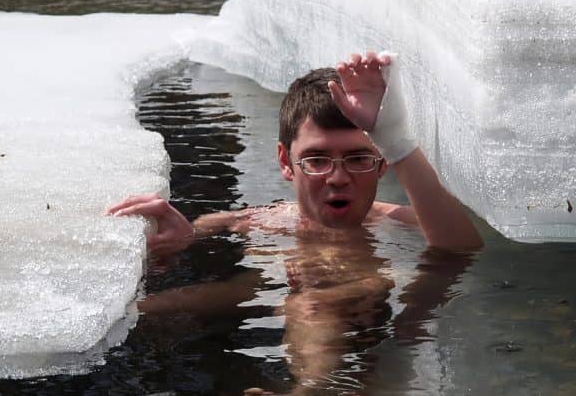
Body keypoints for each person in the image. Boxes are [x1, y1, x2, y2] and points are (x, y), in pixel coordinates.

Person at [106, 52, 482, 253]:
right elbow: (189, 240)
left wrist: (396, 140)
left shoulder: (398, 220)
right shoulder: (247, 223)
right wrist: (179, 242)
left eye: (358, 158)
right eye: (317, 160)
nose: (338, 177)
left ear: (381, 163)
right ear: (286, 162)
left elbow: (461, 246)